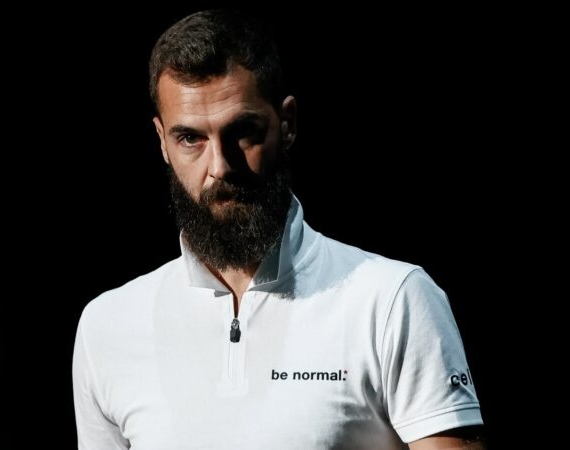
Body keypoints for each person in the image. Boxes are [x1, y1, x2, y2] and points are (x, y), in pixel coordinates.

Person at [72, 9, 485, 449]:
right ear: (162, 142)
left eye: (243, 132)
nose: (219, 167)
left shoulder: (392, 300)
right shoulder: (107, 326)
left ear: (286, 124)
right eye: (190, 138)